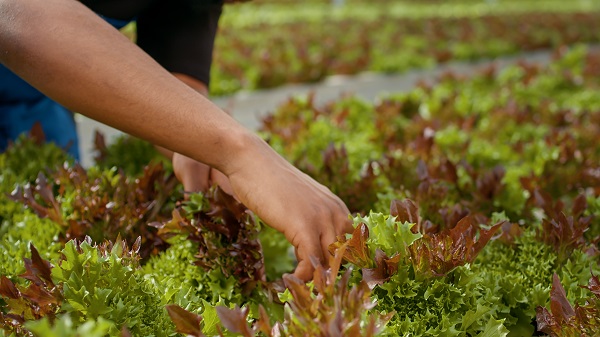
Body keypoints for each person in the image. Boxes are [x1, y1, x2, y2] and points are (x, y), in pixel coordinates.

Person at [0, 0, 353, 281]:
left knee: (42, 215)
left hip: (32, 96)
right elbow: (19, 14)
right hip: (31, 49)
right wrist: (242, 152)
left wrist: (205, 155)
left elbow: (180, 86)